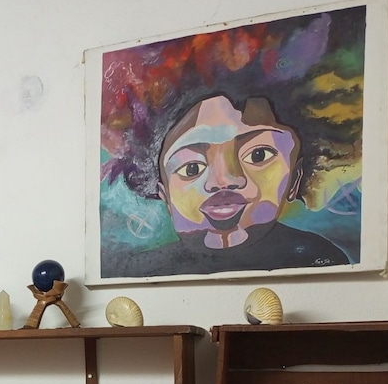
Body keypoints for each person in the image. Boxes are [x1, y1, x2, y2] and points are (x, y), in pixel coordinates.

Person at [108, 93, 349, 277]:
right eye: (191, 169)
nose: (223, 181)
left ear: (295, 179)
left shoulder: (318, 259)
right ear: (166, 198)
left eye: (258, 155)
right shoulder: (145, 272)